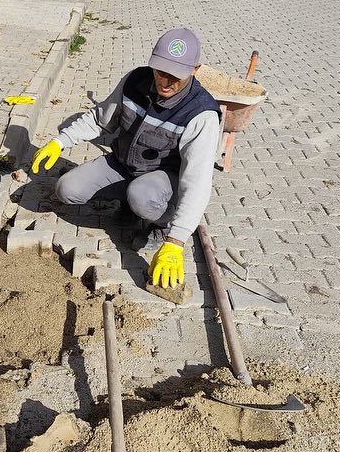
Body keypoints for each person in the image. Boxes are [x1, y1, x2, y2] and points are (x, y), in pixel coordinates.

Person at [30, 28, 222, 289]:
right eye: (160, 71)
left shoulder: (201, 114)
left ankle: (162, 224)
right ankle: (130, 206)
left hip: (162, 179)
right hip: (124, 164)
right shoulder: (135, 81)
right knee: (67, 188)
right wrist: (60, 141)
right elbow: (100, 119)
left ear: (195, 69)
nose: (165, 81)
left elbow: (197, 182)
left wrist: (176, 241)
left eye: (175, 76)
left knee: (142, 195)